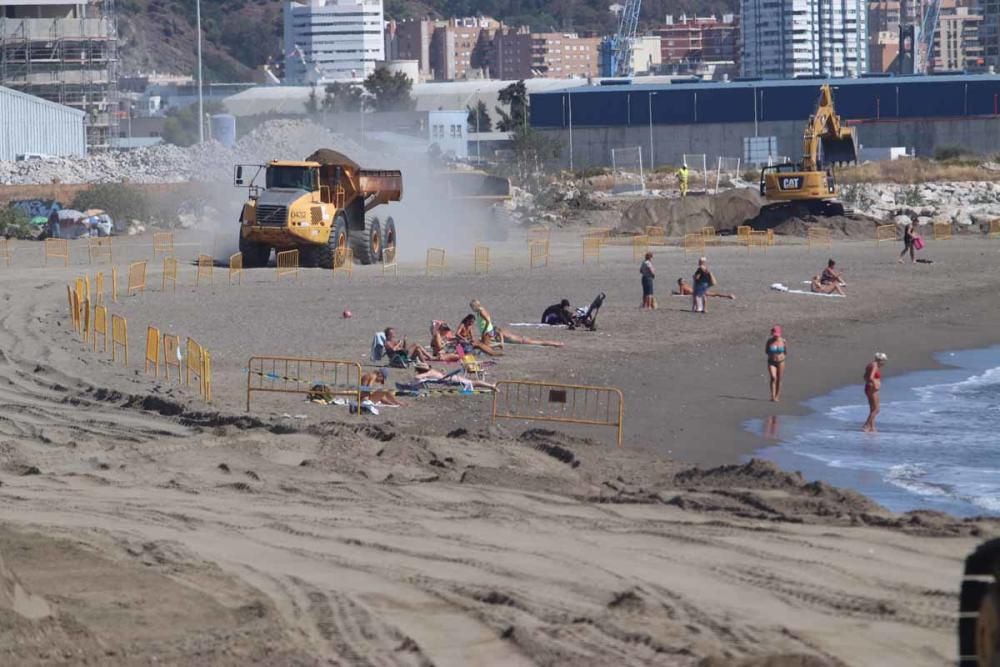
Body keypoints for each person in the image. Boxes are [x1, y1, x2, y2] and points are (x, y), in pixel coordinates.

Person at [470, 299, 564, 347]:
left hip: (491, 331)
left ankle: (555, 343)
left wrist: (485, 332)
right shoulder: (480, 311)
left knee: (529, 341)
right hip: (492, 331)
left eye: (472, 307)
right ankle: (555, 343)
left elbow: (488, 321)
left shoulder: (481, 311)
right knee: (527, 340)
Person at [862, 352, 887, 432]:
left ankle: (872, 427)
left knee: (872, 409)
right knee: (876, 409)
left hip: (868, 387)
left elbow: (865, 377)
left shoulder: (870, 364)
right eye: (884, 361)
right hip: (872, 389)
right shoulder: (875, 366)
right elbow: (871, 377)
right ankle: (866, 425)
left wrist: (869, 382)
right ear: (881, 360)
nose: (884, 363)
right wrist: (875, 384)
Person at [765, 326, 787, 402]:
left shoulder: (783, 341)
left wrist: (781, 357)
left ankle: (777, 396)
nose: (775, 336)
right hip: (771, 361)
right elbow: (766, 351)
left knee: (779, 379)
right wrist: (772, 355)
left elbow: (786, 351)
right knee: (773, 377)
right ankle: (772, 396)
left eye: (777, 334)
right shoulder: (769, 341)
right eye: (774, 334)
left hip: (781, 361)